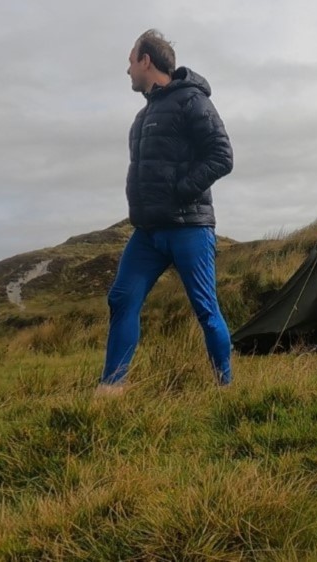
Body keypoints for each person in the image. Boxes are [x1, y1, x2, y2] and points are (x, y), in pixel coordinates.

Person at [96, 29, 234, 396]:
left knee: (205, 309)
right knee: (121, 299)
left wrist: (181, 191)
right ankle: (111, 389)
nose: (127, 70)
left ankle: (225, 387)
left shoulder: (192, 101)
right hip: (147, 232)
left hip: (189, 226)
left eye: (130, 61)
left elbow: (222, 156)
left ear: (146, 61)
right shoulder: (144, 116)